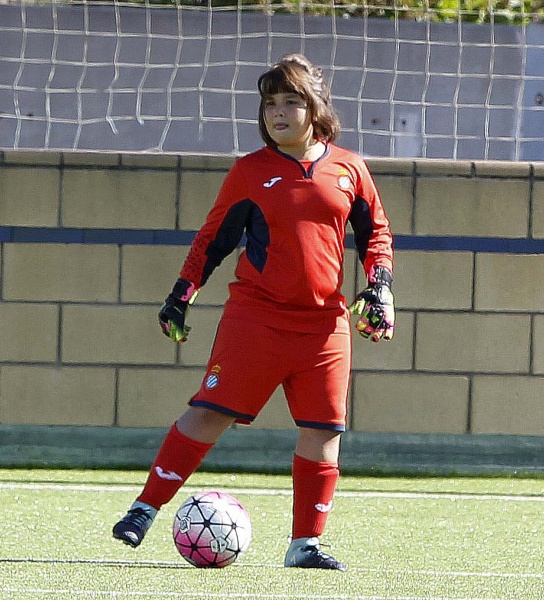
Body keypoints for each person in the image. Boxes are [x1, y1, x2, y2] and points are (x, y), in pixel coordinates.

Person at [112, 53, 395, 571]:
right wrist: (181, 292)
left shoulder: (349, 168)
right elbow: (212, 239)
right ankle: (143, 509)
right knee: (209, 412)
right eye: (270, 104)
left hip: (324, 328)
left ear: (315, 109)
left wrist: (381, 289)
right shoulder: (250, 171)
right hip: (256, 318)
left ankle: (304, 546)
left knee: (324, 430)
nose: (278, 113)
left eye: (291, 102)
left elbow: (374, 233)